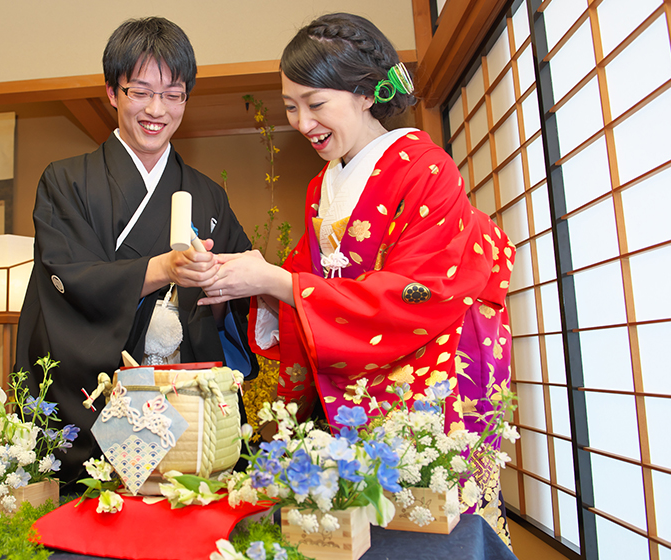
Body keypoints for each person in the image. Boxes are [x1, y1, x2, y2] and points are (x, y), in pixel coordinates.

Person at [199, 13, 514, 543]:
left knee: (431, 524)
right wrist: (251, 279)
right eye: (291, 107)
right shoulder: (323, 185)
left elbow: (418, 292)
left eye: (316, 104)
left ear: (366, 94)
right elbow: (305, 276)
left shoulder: (425, 169)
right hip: (363, 365)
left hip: (434, 358)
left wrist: (278, 283)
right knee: (360, 519)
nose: (303, 123)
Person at [15, 16, 257, 492]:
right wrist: (165, 267)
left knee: (188, 505)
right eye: (140, 92)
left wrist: (220, 282)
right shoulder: (66, 181)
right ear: (112, 92)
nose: (156, 109)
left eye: (173, 94)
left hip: (186, 399)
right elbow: (69, 278)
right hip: (105, 394)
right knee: (108, 509)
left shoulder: (209, 195)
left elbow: (238, 305)